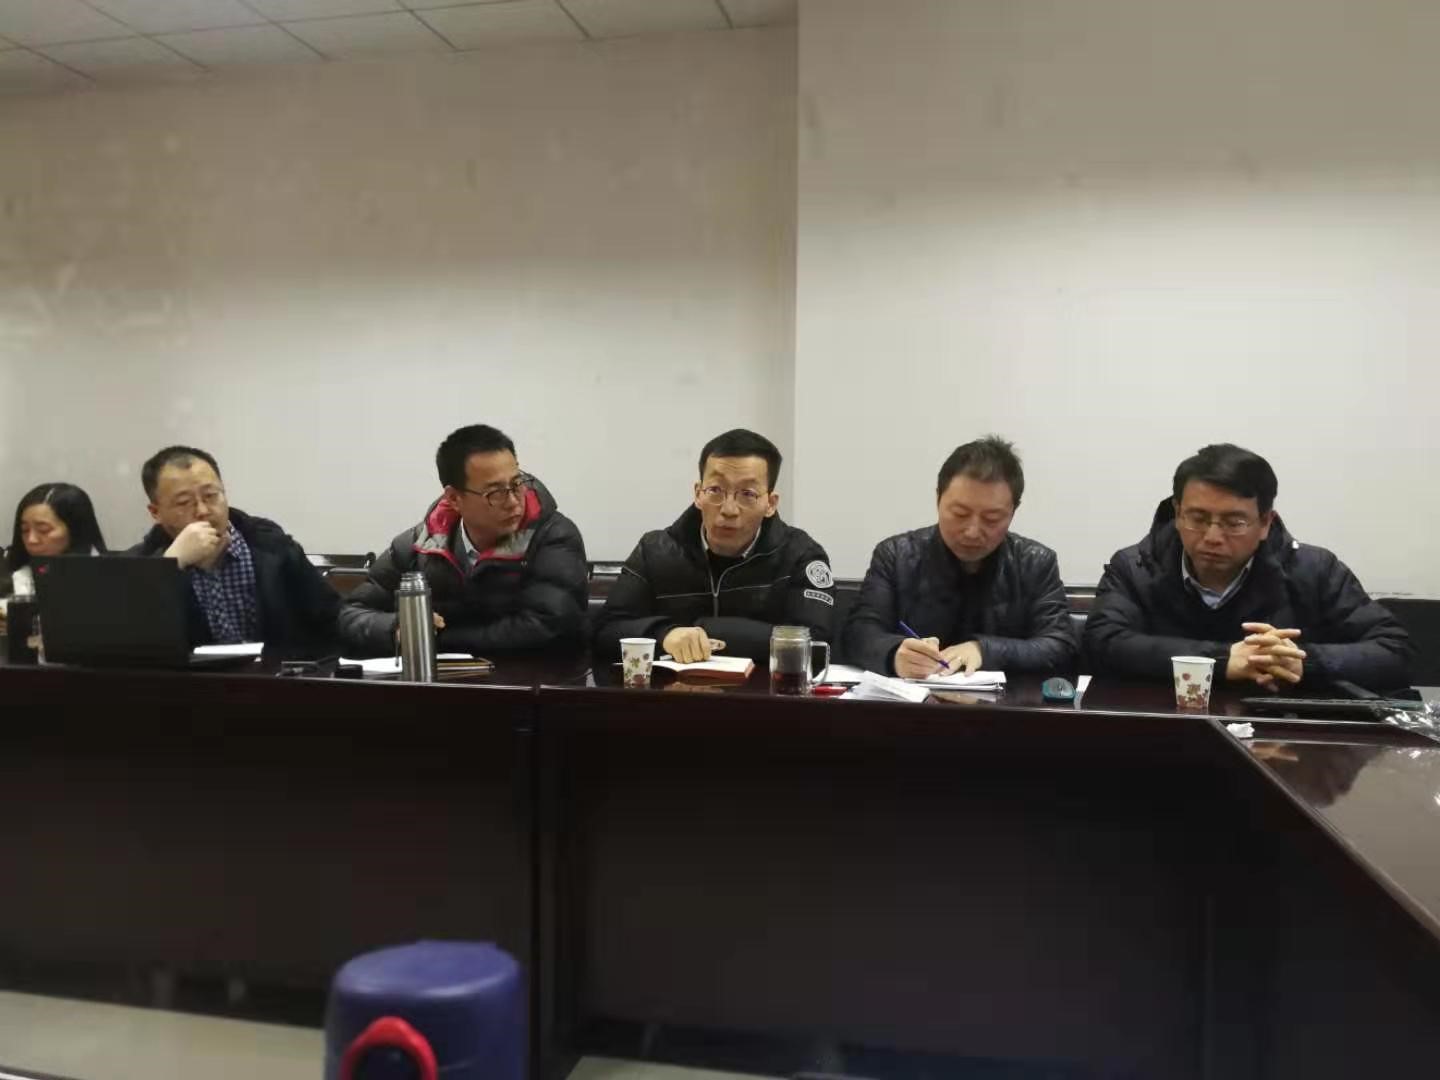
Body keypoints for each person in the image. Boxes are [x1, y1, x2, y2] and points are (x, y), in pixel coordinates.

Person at [1084, 443, 1413, 691]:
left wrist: (1302, 661)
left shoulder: (1314, 571)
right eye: (1197, 518)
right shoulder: (1136, 566)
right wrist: (1222, 660)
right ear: (1178, 512)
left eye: (1234, 523)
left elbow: (1395, 651)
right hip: (1163, 730)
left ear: (1266, 522)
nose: (1213, 537)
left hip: (1282, 737)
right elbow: (1102, 643)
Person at [339, 425, 587, 658]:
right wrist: (394, 628)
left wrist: (432, 638)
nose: (513, 501)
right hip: (441, 683)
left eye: (517, 483)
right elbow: (350, 614)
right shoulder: (421, 544)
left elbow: (549, 628)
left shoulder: (553, 536)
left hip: (530, 683)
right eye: (496, 492)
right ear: (454, 498)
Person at [842, 436, 1078, 678]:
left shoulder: (1035, 563)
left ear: (1013, 512)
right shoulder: (895, 556)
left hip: (1007, 701)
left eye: (992, 519)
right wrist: (894, 653)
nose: (972, 531)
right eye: (960, 513)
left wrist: (984, 650)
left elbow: (1059, 645)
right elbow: (859, 633)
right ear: (938, 499)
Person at [593, 428, 835, 663]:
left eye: (748, 494)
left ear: (770, 503)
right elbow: (604, 631)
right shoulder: (655, 551)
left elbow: (815, 645)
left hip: (765, 690)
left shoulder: (799, 555)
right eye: (716, 490)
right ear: (698, 494)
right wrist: (665, 635)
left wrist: (706, 629)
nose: (729, 509)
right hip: (673, 690)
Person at [129, 446, 339, 656]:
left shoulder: (271, 546)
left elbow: (331, 615)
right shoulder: (138, 565)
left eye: (211, 495)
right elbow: (129, 644)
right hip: (190, 678)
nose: (203, 510)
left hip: (276, 674)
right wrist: (170, 564)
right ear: (155, 512)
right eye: (183, 503)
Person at [3, 482, 108, 601]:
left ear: (75, 530)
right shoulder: (13, 573)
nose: (31, 540)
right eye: (25, 530)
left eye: (43, 530)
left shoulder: (108, 578)